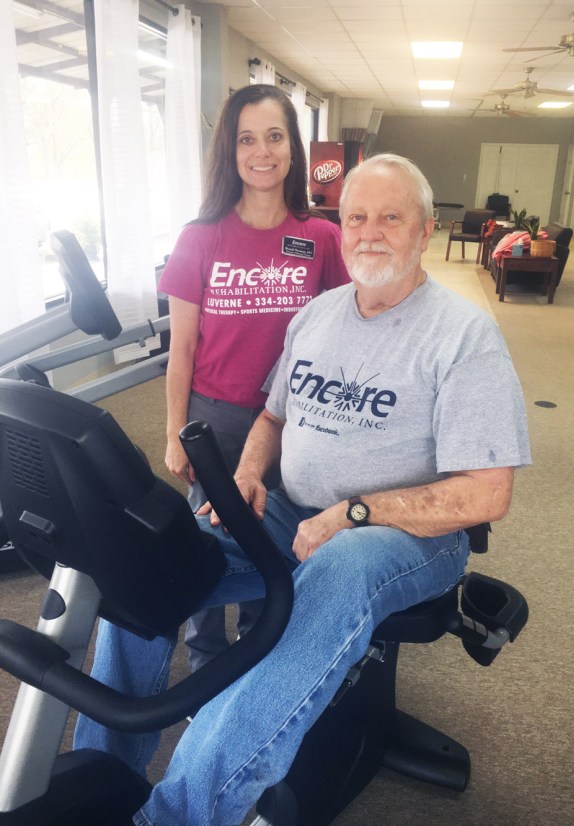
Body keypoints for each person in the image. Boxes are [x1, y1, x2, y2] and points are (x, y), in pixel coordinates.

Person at [74, 153, 531, 826]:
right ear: (339, 228)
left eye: (390, 217)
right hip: (294, 510)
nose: (370, 232)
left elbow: (488, 494)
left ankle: (178, 816)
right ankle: (102, 774)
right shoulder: (318, 314)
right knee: (156, 554)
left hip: (408, 537)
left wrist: (356, 513)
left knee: (341, 568)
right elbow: (273, 416)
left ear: (426, 229)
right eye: (355, 217)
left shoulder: (464, 337)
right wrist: (249, 475)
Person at [159, 84, 350, 669]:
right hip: (212, 417)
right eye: (247, 139)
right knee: (206, 546)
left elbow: (344, 332)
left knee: (267, 544)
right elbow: (182, 349)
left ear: (294, 147)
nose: (261, 151)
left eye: (275, 136)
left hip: (291, 422)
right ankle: (205, 663)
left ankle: (255, 656)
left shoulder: (320, 237)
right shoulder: (201, 236)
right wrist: (174, 432)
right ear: (230, 150)